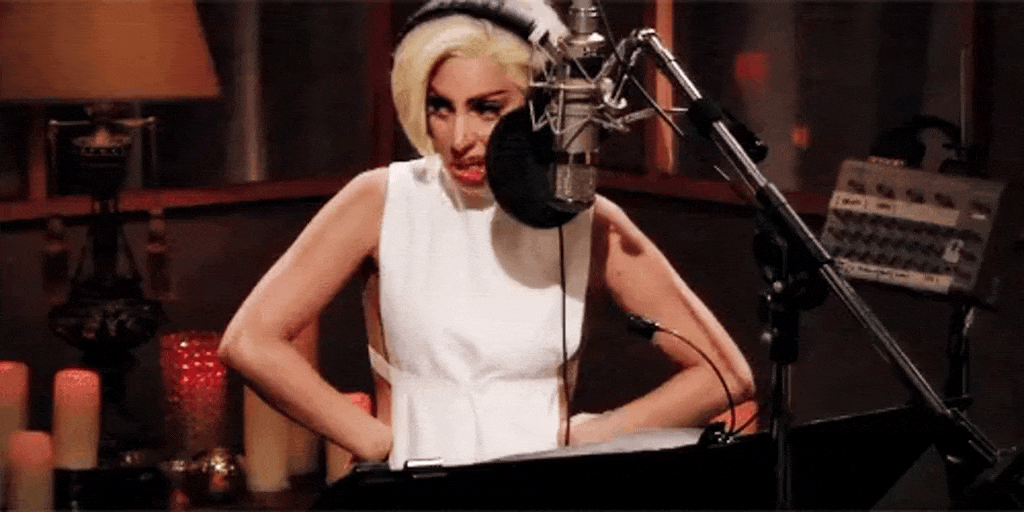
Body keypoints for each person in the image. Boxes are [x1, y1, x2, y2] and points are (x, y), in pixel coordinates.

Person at [218, 0, 755, 471]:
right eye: (441, 107)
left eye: (487, 108)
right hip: (419, 488)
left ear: (540, 110)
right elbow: (250, 342)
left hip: (539, 487)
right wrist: (376, 442)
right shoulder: (382, 199)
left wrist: (596, 435)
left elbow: (725, 376)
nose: (460, 138)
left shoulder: (585, 219)